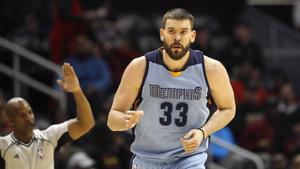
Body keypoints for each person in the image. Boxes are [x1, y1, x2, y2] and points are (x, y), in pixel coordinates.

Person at [107, 8, 236, 169]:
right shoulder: (139, 67)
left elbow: (228, 109)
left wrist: (203, 132)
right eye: (171, 31)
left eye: (183, 32)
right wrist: (124, 121)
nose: (177, 37)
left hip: (189, 159)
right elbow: (112, 119)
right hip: (146, 159)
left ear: (192, 36)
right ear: (162, 34)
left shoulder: (212, 69)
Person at [0, 63, 95, 169]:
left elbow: (86, 123)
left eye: (30, 112)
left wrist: (77, 91)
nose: (28, 117)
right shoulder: (3, 145)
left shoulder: (50, 136)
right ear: (10, 121)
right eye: (21, 115)